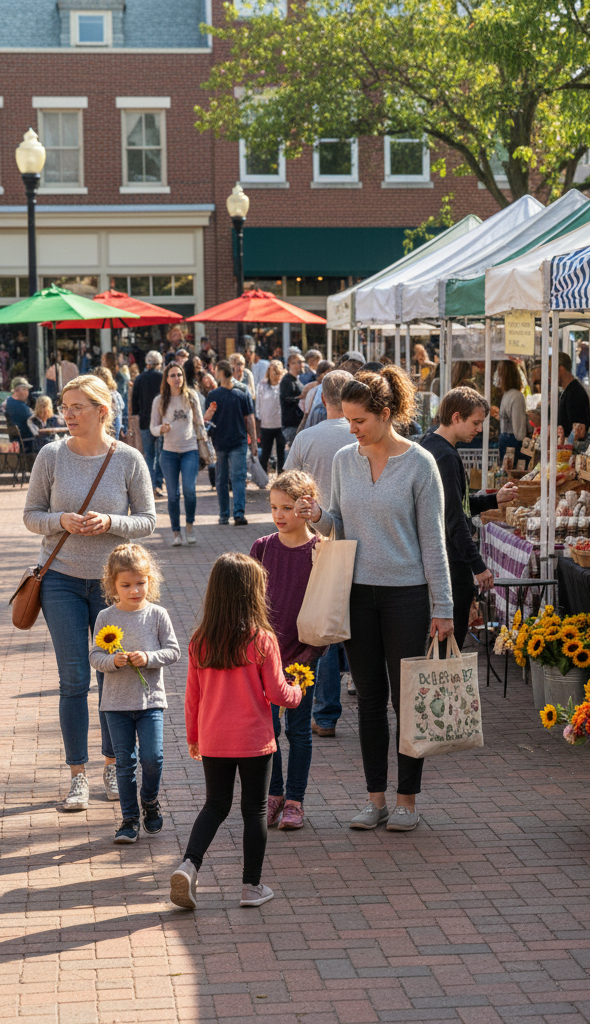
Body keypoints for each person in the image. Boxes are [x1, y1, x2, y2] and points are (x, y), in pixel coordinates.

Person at [296, 367, 453, 833]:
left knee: (409, 702)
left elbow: (434, 541)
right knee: (368, 699)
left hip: (407, 596)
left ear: (386, 414)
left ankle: (407, 799)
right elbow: (337, 522)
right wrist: (318, 515)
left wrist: (442, 606)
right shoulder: (345, 459)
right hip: (357, 593)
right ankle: (375, 798)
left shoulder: (420, 463)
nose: (352, 429)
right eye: (347, 419)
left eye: (360, 420)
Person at [23, 375, 156, 811]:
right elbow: (31, 515)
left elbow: (148, 520)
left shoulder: (129, 459)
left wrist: (111, 522)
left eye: (78, 406)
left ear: (103, 410)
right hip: (59, 578)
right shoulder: (51, 455)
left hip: (111, 586)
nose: (69, 414)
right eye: (65, 406)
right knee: (74, 680)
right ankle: (77, 775)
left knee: (111, 677)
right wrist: (61, 520)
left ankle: (113, 766)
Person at [171, 553, 303, 911]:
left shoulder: (201, 640)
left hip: (214, 738)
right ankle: (251, 886)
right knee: (255, 810)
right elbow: (278, 694)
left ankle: (189, 864)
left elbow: (191, 697)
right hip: (254, 741)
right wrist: (298, 692)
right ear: (252, 593)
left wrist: (193, 737)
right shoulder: (261, 639)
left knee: (215, 805)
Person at [249, 471, 324, 831]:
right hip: (266, 657)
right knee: (268, 729)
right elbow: (248, 601)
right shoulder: (262, 547)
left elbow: (329, 603)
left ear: (306, 505)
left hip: (304, 656)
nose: (279, 515)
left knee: (298, 730)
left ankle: (295, 799)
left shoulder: (321, 549)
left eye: (288, 507)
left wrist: (315, 650)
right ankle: (274, 792)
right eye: (274, 507)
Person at [90, 543, 179, 844]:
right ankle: (129, 819)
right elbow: (95, 656)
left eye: (140, 583)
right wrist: (112, 662)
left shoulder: (157, 614)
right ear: (112, 585)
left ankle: (149, 801)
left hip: (150, 701)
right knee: (124, 762)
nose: (134, 591)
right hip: (115, 704)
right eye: (126, 585)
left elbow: (174, 651)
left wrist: (149, 658)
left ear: (149, 581)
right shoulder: (105, 617)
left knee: (153, 758)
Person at [283, 370, 355, 728]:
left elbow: (284, 487)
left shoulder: (307, 438)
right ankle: (357, 683)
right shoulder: (362, 437)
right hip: (356, 539)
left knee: (323, 621)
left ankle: (325, 713)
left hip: (315, 540)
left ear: (322, 399)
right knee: (355, 618)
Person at [421, 387, 518, 648]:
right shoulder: (445, 456)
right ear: (455, 417)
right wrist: (478, 566)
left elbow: (456, 507)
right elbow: (454, 520)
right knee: (446, 644)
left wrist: (493, 499)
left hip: (437, 558)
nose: (479, 429)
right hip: (449, 563)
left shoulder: (429, 444)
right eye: (475, 422)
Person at [151, 361, 203, 546]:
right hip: (169, 453)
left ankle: (189, 527)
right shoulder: (159, 400)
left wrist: (204, 442)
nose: (176, 379)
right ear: (166, 379)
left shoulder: (191, 396)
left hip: (190, 449)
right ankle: (176, 533)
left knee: (189, 490)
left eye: (179, 375)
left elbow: (199, 423)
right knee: (172, 495)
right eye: (172, 375)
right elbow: (152, 427)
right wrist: (160, 429)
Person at [204, 360, 257, 526]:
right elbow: (250, 420)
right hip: (238, 440)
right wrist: (253, 442)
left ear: (220, 373)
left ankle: (224, 515)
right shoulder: (242, 393)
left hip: (220, 441)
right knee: (238, 478)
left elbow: (205, 420)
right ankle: (238, 514)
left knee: (222, 479)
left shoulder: (213, 395)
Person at [131, 350, 165, 497]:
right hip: (162, 421)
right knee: (161, 453)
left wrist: (137, 414)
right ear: (159, 363)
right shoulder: (163, 377)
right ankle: (159, 482)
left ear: (147, 363)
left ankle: (151, 484)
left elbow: (134, 401)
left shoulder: (139, 378)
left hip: (145, 421)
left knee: (149, 454)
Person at [255, 359, 286, 474]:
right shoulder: (262, 386)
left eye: (278, 372)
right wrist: (259, 418)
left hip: (280, 424)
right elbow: (258, 403)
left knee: (281, 452)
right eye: (274, 372)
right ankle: (263, 476)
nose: (276, 375)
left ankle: (281, 476)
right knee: (265, 453)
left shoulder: (283, 385)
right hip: (266, 424)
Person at [496, 360, 528, 467]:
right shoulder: (517, 396)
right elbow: (519, 432)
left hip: (504, 441)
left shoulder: (506, 395)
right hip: (514, 446)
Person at [556, 351, 590, 442]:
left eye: (550, 371)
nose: (548, 376)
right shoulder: (569, 391)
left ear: (561, 370)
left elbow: (577, 431)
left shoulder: (575, 393)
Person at [92, 366, 125, 441]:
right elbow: (123, 412)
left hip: (106, 431)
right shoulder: (116, 394)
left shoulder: (104, 396)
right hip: (116, 430)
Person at [279, 351, 304, 445]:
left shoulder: (297, 380)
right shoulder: (287, 381)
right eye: (299, 362)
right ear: (291, 364)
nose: (302, 365)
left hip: (297, 424)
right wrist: (301, 397)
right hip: (291, 425)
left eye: (302, 362)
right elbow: (287, 400)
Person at [5, 377, 34, 441]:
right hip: (28, 442)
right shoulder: (20, 407)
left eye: (27, 390)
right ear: (16, 390)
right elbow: (35, 421)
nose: (27, 392)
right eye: (24, 389)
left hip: (16, 442)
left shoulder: (9, 402)